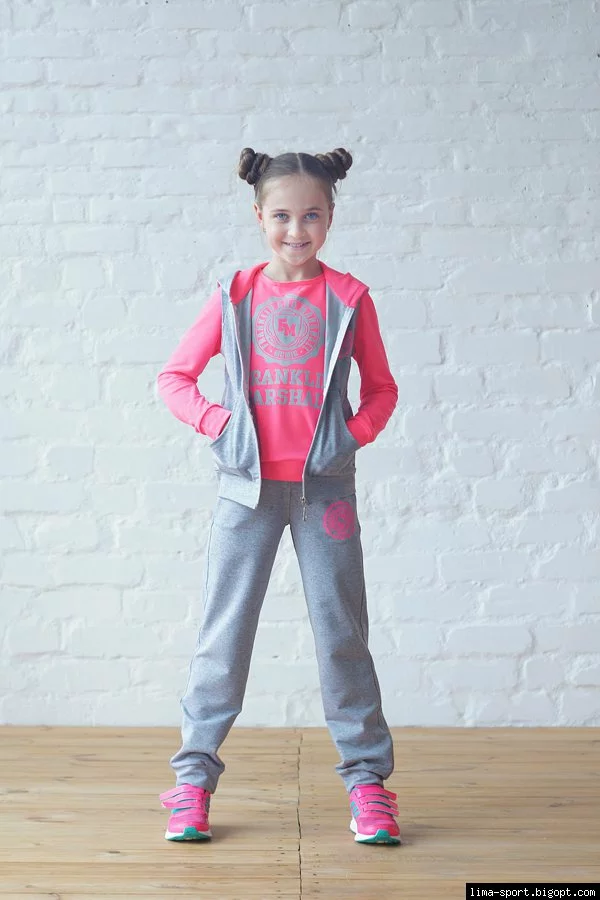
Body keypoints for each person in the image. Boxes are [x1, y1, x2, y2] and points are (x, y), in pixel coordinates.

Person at [156, 147, 400, 845]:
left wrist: (350, 436)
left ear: (331, 218)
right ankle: (192, 782)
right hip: (247, 494)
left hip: (325, 494)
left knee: (342, 637)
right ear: (259, 216)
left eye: (312, 215)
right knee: (223, 637)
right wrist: (220, 425)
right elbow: (174, 379)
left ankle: (368, 785)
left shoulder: (349, 299)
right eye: (283, 215)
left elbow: (383, 389)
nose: (297, 230)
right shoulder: (234, 296)